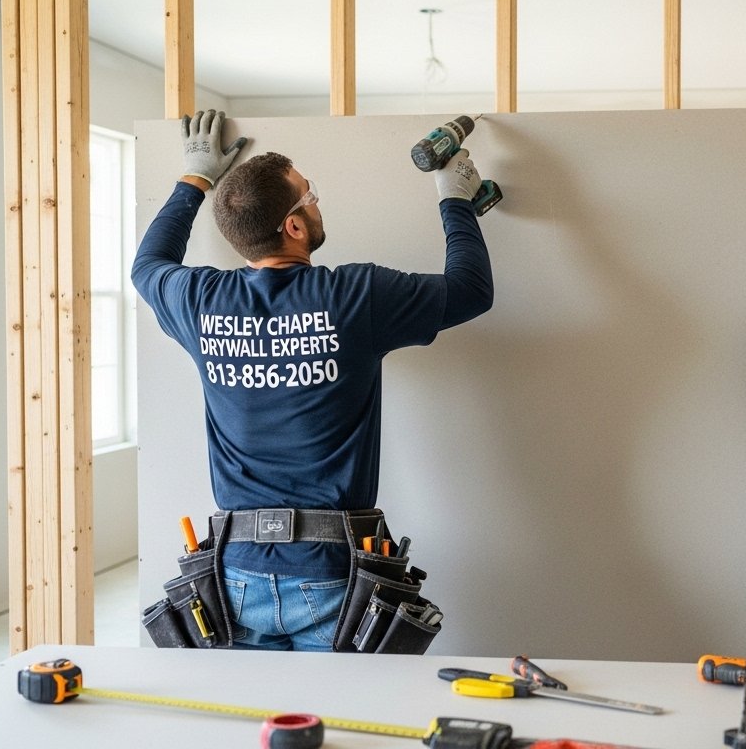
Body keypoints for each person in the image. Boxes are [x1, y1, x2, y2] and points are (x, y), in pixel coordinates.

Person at [131, 110, 494, 651]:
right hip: (333, 574)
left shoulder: (199, 302)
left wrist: (195, 178)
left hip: (233, 575)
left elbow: (147, 264)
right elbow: (470, 290)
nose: (316, 201)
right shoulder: (356, 296)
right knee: (338, 726)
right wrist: (454, 199)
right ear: (294, 227)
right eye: (310, 195)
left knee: (256, 729)